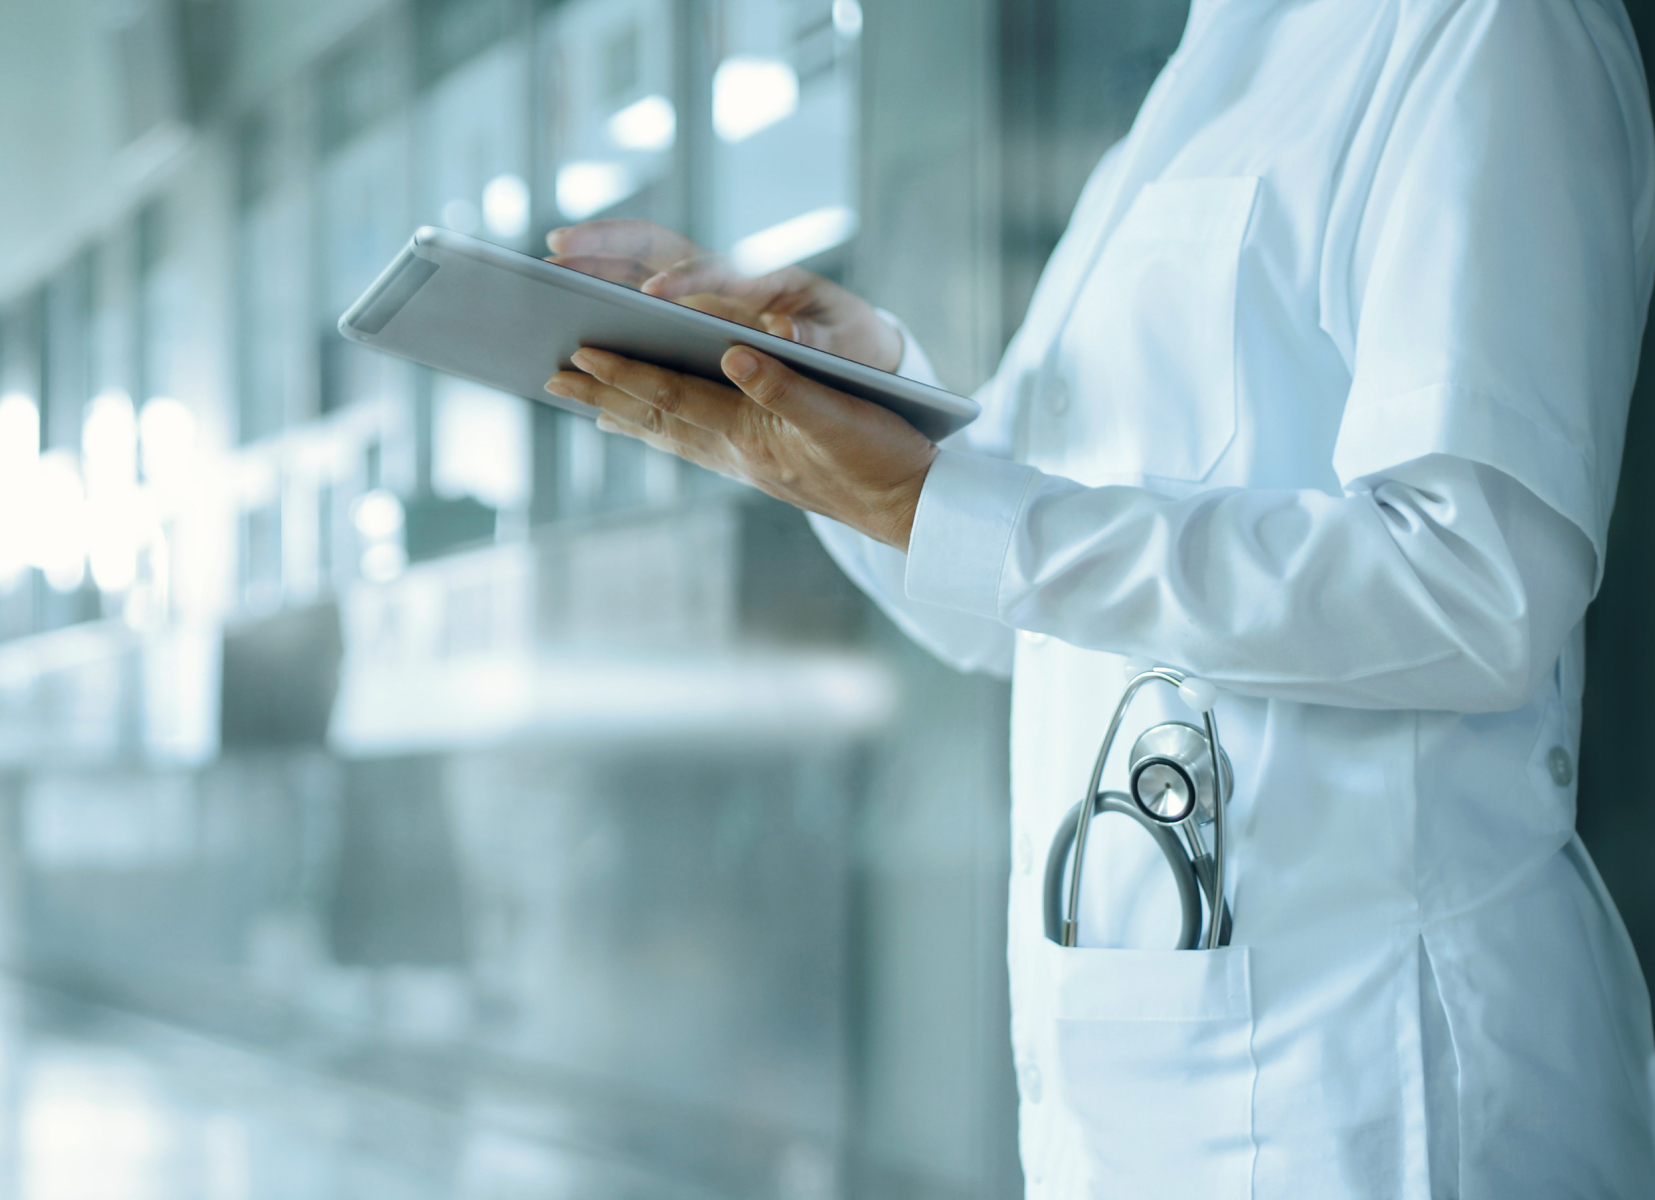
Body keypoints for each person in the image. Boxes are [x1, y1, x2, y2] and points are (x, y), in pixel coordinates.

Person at [542, 1, 1655, 1195]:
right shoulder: (1196, 80)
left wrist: (944, 505)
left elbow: (1472, 590)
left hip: (1372, 1092)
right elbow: (1001, 600)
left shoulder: (1482, 27)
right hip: (1130, 1107)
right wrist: (860, 419)